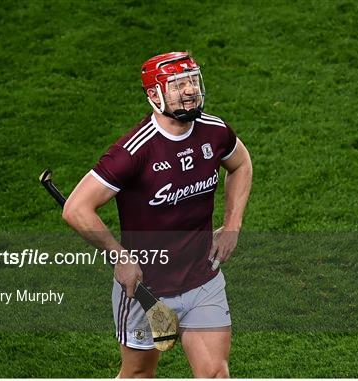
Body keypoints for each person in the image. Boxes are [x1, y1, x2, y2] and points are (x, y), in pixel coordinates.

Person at [62, 52, 252, 378]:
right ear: (154, 95)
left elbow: (241, 164)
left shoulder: (215, 132)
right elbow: (76, 208)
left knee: (216, 374)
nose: (190, 90)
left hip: (202, 281)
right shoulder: (132, 152)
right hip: (145, 289)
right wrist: (119, 256)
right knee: (139, 374)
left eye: (192, 80)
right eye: (178, 85)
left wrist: (232, 224)